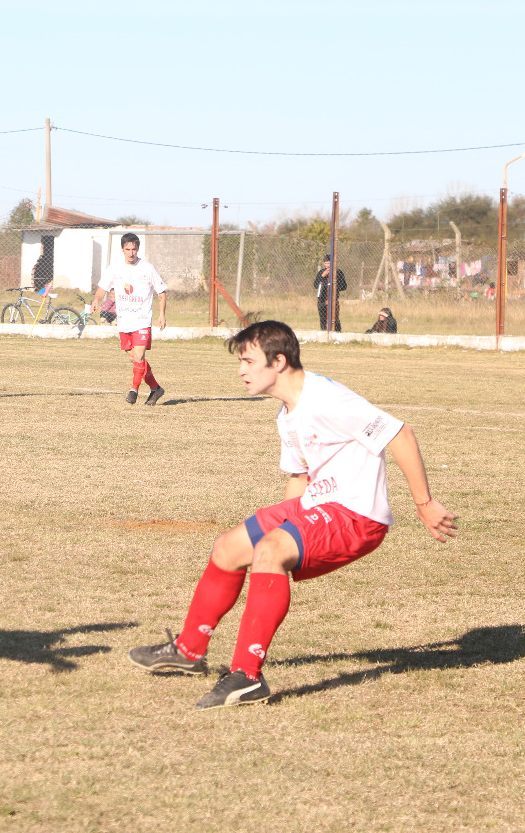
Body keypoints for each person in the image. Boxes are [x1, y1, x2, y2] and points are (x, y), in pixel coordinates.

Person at [127, 320, 457, 710]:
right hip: (317, 505)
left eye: (249, 362)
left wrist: (424, 504)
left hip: (357, 514)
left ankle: (247, 677)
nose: (241, 371)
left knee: (269, 551)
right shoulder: (287, 413)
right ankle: (189, 649)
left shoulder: (327, 398)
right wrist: (290, 527)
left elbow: (399, 434)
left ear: (279, 361)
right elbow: (300, 477)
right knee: (229, 547)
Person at [90, 232, 168, 405]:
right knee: (134, 358)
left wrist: (162, 314)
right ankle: (155, 388)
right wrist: (96, 300)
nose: (131, 253)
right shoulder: (115, 268)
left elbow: (161, 292)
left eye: (134, 249)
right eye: (128, 249)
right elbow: (103, 287)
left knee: (139, 356)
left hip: (142, 320)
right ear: (122, 249)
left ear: (138, 249)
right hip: (124, 321)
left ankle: (134, 390)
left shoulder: (147, 268)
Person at [314, 254, 347, 331]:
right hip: (322, 300)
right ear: (324, 263)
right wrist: (322, 276)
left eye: (329, 263)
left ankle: (337, 332)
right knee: (323, 320)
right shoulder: (321, 272)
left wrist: (334, 285)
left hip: (333, 300)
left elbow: (344, 286)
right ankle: (324, 332)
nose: (328, 265)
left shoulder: (338, 272)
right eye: (326, 263)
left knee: (335, 319)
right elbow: (315, 285)